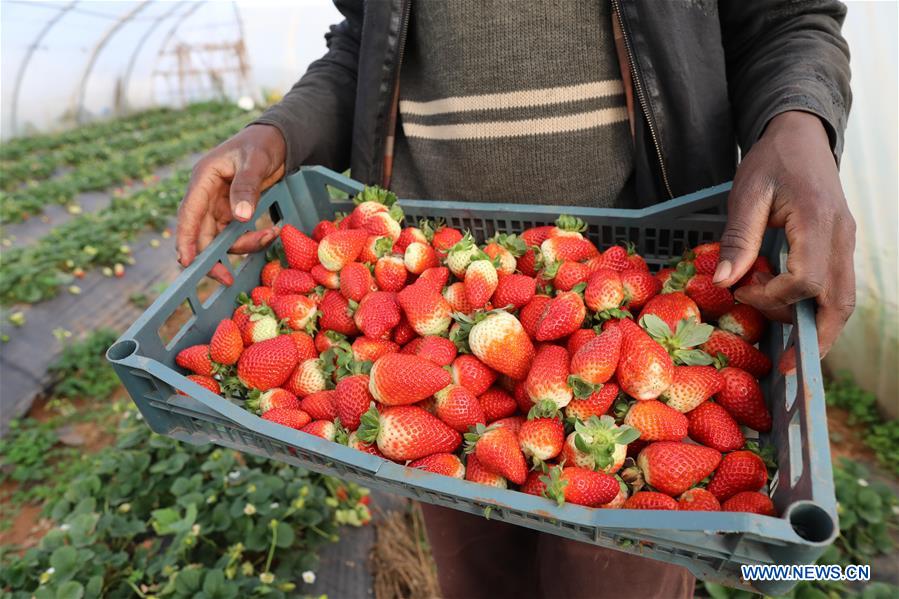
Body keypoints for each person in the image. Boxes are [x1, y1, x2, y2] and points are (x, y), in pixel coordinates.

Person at [176, 1, 855, 597]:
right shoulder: (433, 384)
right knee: (480, 575)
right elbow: (363, 40)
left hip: (642, 264)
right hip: (432, 285)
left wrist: (799, 122)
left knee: (614, 582)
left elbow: (782, 16)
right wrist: (281, 131)